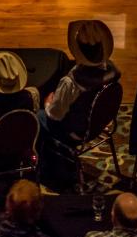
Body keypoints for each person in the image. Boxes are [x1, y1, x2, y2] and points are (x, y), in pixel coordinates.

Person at [43, 21, 121, 182]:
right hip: (99, 124)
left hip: (75, 131)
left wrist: (47, 104)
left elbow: (55, 115)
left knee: (37, 117)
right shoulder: (113, 71)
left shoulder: (71, 82)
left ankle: (50, 170)